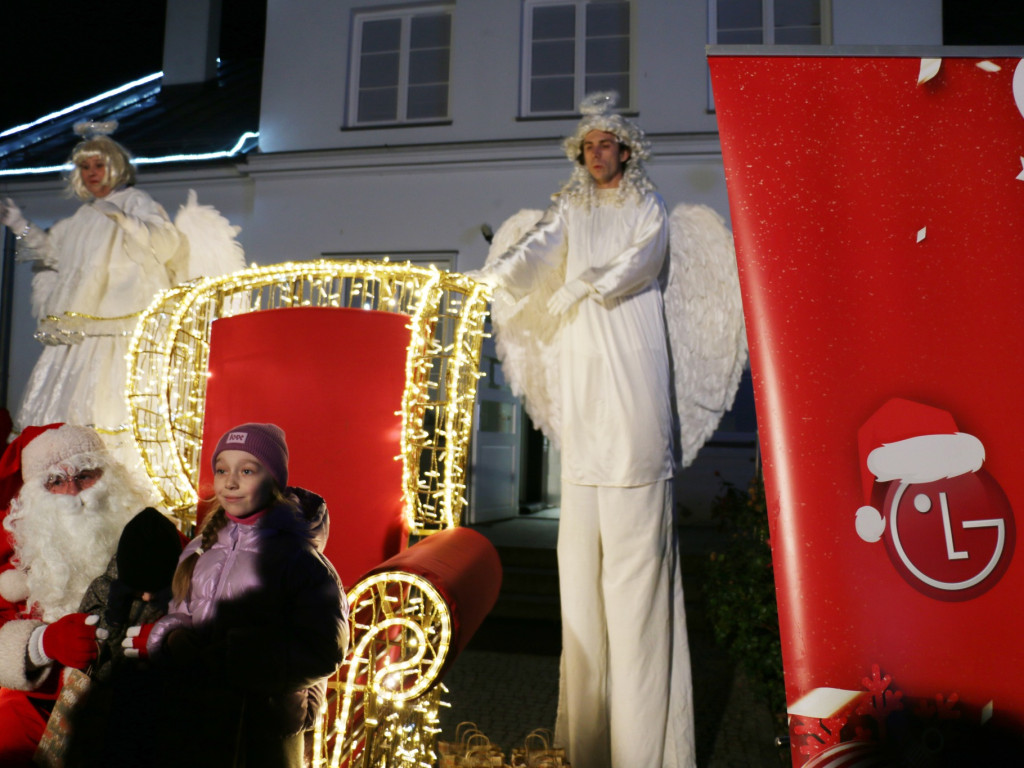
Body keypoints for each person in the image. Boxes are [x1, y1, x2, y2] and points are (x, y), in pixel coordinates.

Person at [474, 93, 695, 768]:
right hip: (586, 390)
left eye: (608, 145)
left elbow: (640, 263)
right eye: (588, 146)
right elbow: (539, 252)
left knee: (635, 560)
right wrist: (491, 281)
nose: (598, 155)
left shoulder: (647, 208)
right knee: (581, 562)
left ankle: (644, 744)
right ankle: (592, 739)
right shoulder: (570, 210)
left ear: (625, 151)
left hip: (633, 380)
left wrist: (584, 286)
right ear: (581, 155)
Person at [0, 124, 246, 471]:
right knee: (71, 395)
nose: (91, 175)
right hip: (82, 327)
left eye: (98, 166)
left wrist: (127, 221)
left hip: (123, 317)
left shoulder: (136, 201)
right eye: (85, 168)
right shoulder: (82, 216)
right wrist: (19, 224)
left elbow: (165, 243)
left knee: (117, 393)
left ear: (114, 166)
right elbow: (53, 256)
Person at [125, 423, 349, 768]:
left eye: (247, 470)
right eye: (222, 470)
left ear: (274, 480)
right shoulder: (200, 548)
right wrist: (171, 636)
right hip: (198, 719)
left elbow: (324, 650)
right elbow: (182, 609)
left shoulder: (299, 561)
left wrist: (238, 656)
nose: (230, 482)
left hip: (262, 732)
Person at [0, 423, 152, 765]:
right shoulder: (16, 558)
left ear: (109, 477)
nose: (73, 492)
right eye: (55, 481)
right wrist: (43, 643)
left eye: (85, 475)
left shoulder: (151, 535)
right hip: (42, 697)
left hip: (134, 693)